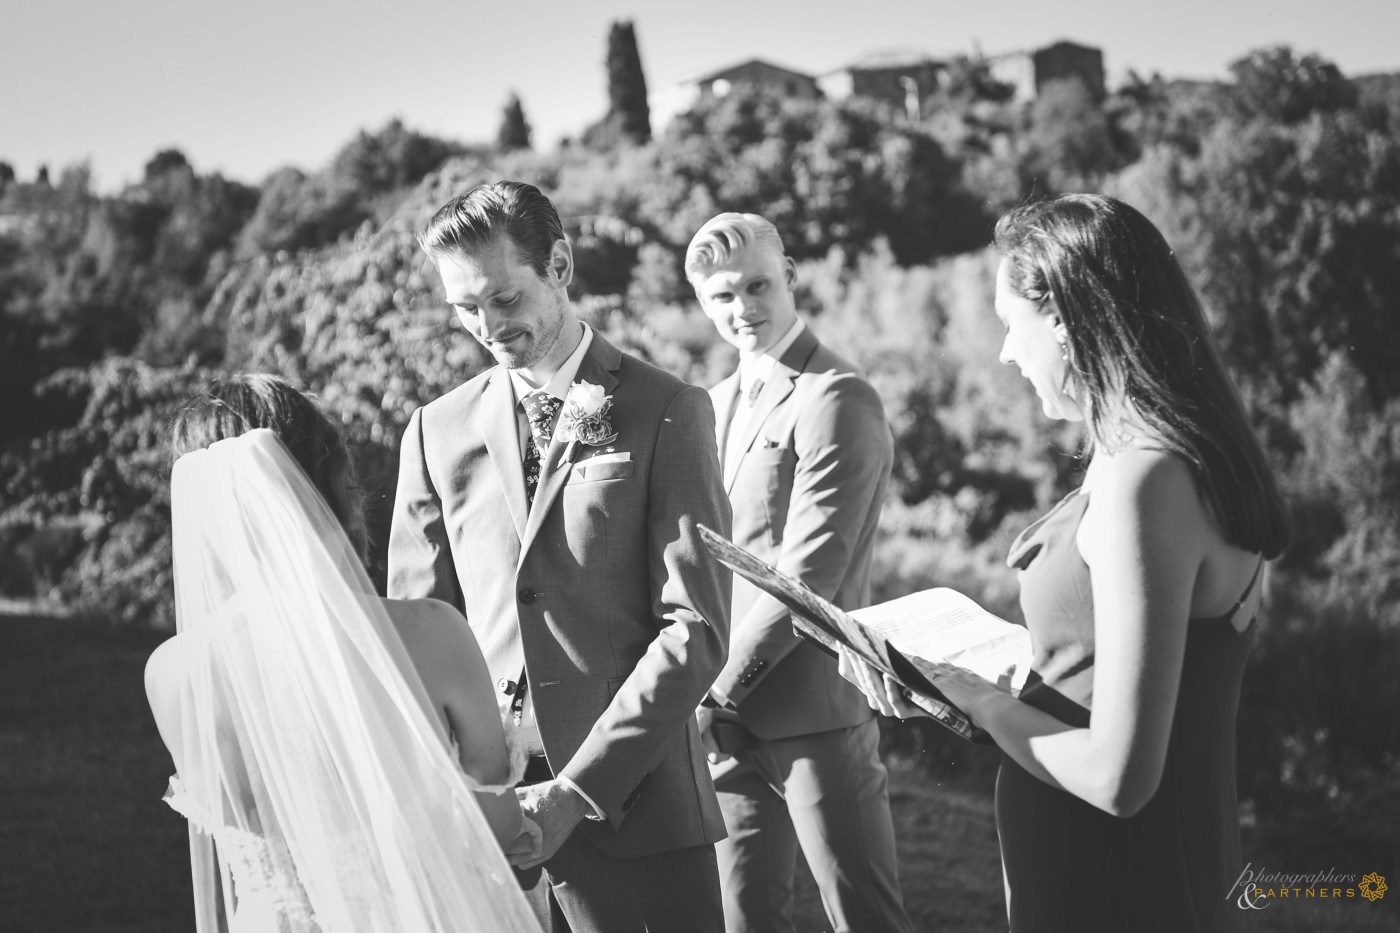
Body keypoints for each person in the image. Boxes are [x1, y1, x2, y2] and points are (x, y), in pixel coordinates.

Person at [840, 194, 1291, 932]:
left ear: (1066, 317)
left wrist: (978, 697)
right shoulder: (1150, 453)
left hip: (1121, 881)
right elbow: (1120, 656)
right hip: (1107, 868)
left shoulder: (1150, 477)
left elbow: (1120, 779)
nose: (1006, 353)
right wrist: (985, 670)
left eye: (1011, 324)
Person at [389, 180, 733, 933]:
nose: (487, 327)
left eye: (504, 300)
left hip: (637, 814)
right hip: (485, 830)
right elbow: (415, 630)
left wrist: (578, 790)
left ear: (561, 265)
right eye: (464, 308)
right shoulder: (434, 431)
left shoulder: (667, 408)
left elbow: (695, 630)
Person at [145, 373, 542, 933]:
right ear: (328, 486)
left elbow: (245, 820)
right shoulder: (431, 633)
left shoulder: (172, 670)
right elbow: (496, 828)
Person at [685, 213, 913, 933]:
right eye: (721, 296)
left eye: (757, 285)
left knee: (866, 918)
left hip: (815, 713)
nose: (742, 308)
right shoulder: (711, 405)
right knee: (746, 921)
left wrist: (715, 692)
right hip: (724, 721)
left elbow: (807, 575)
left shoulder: (837, 395)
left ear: (789, 276)